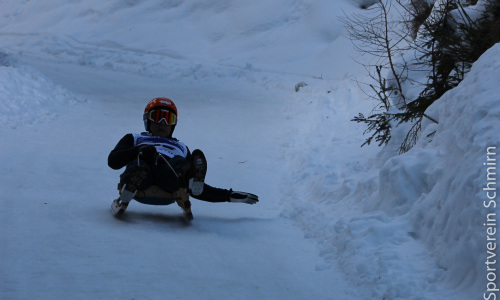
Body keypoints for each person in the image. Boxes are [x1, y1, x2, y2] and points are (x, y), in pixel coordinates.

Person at [108, 97, 258, 216]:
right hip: (143, 171)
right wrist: (138, 150)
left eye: (168, 119)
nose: (163, 123)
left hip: (170, 177)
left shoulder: (180, 147)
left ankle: (188, 174)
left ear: (173, 125)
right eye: (158, 116)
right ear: (147, 120)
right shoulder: (134, 138)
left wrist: (228, 195)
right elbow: (113, 161)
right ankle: (132, 184)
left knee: (181, 165)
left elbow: (195, 189)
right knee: (139, 165)